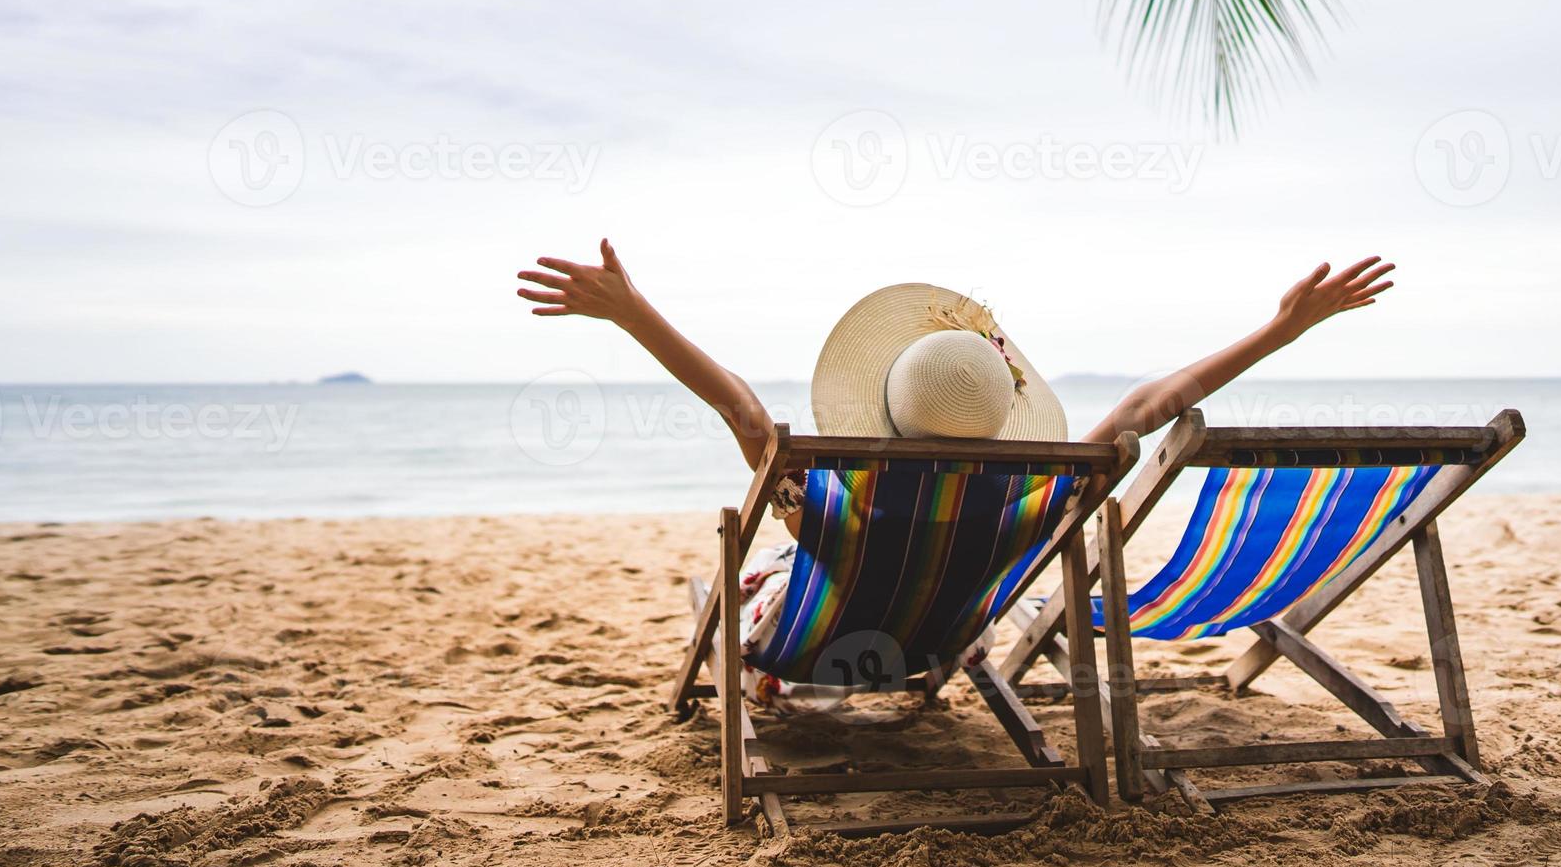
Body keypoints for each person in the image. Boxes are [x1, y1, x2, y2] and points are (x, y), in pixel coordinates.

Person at [515, 241, 1393, 711]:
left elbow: (745, 415)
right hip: (936, 646)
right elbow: (1143, 411)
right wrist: (1282, 331)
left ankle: (760, 681)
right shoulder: (1034, 500)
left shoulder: (834, 501)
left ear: (880, 409)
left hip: (804, 650)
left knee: (746, 577)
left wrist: (633, 316)